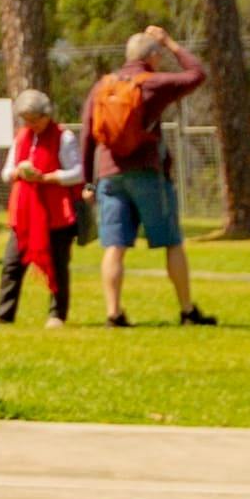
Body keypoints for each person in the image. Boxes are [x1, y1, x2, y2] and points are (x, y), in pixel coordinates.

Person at [86, 23, 216, 325]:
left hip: (109, 175)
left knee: (114, 246)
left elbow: (87, 136)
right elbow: (197, 74)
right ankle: (187, 309)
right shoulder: (152, 84)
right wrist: (170, 42)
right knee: (171, 241)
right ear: (153, 57)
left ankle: (113, 313)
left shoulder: (103, 86)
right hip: (146, 173)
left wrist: (89, 182)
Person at [0, 88, 76, 324]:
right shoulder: (21, 137)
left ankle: (57, 314)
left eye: (35, 120)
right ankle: (3, 313)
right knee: (12, 264)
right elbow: (6, 172)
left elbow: (78, 172)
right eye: (26, 120)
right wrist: (18, 172)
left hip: (55, 211)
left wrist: (49, 177)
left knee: (58, 265)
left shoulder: (64, 137)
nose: (31, 125)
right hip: (24, 213)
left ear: (47, 115)